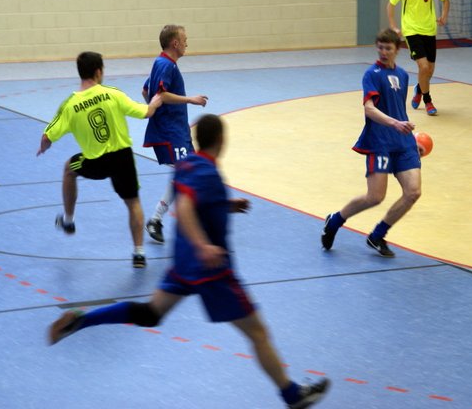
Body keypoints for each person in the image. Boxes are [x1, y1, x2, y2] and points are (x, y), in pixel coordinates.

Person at [48, 114, 330, 409]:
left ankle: (82, 320)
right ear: (221, 140)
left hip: (183, 264)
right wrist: (203, 246)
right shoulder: (208, 172)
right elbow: (184, 208)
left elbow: (192, 199)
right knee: (258, 332)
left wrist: (226, 205)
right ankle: (292, 395)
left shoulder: (186, 165)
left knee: (151, 313)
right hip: (211, 269)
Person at [38, 51, 163, 268]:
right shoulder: (113, 94)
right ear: (98, 72)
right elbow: (145, 113)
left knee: (69, 168)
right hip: (122, 158)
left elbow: (47, 136)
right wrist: (155, 102)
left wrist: (43, 147)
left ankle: (68, 221)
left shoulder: (70, 105)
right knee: (133, 203)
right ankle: (139, 254)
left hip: (94, 162)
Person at [321, 28, 422, 258]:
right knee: (375, 197)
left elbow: (397, 108)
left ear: (397, 50)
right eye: (380, 48)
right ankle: (334, 221)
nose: (383, 52)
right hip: (380, 142)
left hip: (403, 142)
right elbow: (369, 109)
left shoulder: (403, 75)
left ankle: (377, 235)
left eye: (388, 48)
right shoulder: (372, 74)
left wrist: (407, 133)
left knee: (413, 192)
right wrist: (395, 124)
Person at [142, 24, 209, 244]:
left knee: (188, 172)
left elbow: (146, 90)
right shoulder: (166, 65)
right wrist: (190, 100)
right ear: (175, 43)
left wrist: (160, 114)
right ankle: (163, 220)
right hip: (171, 133)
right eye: (185, 40)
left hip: (176, 130)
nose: (187, 43)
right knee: (188, 173)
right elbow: (161, 94)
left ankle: (159, 219)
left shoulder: (161, 63)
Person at [386, 0, 450, 116]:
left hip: (429, 30)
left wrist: (444, 17)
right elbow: (391, 4)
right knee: (424, 66)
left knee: (430, 70)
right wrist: (393, 26)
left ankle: (419, 89)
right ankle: (428, 101)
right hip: (411, 31)